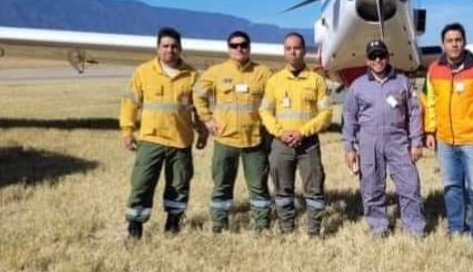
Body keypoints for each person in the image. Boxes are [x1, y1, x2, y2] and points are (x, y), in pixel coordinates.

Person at [120, 26, 207, 239]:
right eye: (165, 46)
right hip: (151, 139)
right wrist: (127, 130)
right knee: (142, 183)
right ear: (158, 48)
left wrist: (203, 132)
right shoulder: (143, 72)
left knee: (179, 184)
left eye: (174, 46)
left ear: (180, 49)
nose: (170, 50)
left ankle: (173, 223)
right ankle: (135, 227)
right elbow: (130, 102)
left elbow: (200, 107)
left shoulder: (192, 75)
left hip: (180, 140)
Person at [422, 22, 473, 248]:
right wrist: (429, 131)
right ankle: (456, 228)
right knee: (451, 187)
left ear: (464, 42)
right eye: (450, 40)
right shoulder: (433, 70)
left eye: (458, 40)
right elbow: (429, 102)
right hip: (445, 141)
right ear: (443, 44)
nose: (454, 44)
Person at [342, 40, 426, 238]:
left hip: (398, 141)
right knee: (371, 187)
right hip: (369, 143)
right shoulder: (357, 86)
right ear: (367, 60)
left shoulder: (402, 82)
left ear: (388, 57)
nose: (378, 60)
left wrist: (416, 142)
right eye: (373, 56)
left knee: (410, 185)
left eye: (381, 55)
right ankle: (378, 226)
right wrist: (349, 148)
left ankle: (415, 227)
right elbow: (349, 117)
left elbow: (414, 113)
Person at [193, 30, 273, 233]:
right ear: (228, 48)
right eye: (234, 45)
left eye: (243, 45)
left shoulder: (263, 73)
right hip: (225, 140)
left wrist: (270, 126)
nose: (239, 49)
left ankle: (262, 225)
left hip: (254, 140)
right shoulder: (216, 72)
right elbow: (198, 94)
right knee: (222, 185)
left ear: (249, 47)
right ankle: (219, 224)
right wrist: (207, 119)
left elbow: (274, 100)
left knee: (258, 186)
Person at [259, 32, 333, 236]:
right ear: (284, 52)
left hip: (308, 144)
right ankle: (286, 229)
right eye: (288, 48)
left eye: (297, 48)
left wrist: (302, 132)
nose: (293, 52)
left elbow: (326, 113)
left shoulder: (316, 81)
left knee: (314, 188)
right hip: (281, 144)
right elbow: (265, 111)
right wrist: (280, 133)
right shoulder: (274, 81)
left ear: (304, 50)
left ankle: (314, 231)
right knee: (282, 189)